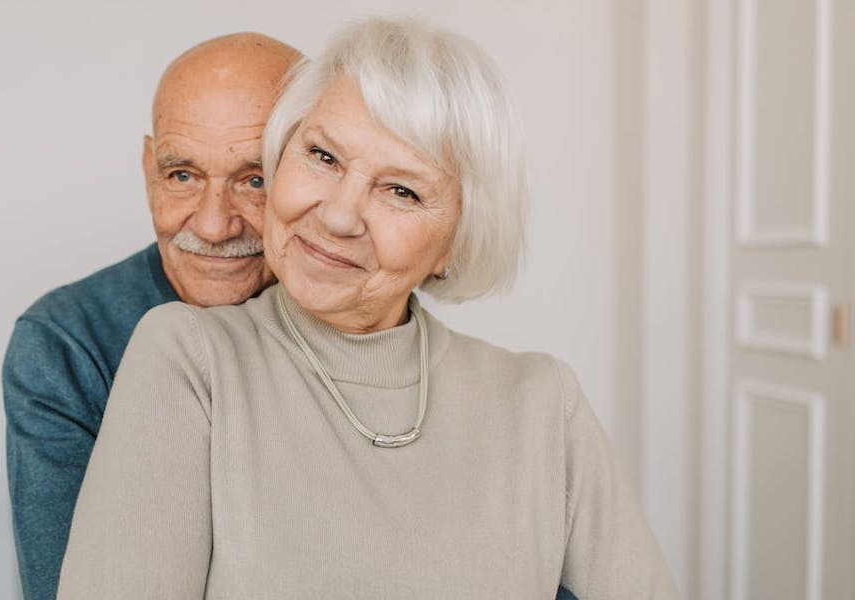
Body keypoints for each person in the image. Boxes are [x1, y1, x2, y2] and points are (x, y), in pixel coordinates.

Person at [57, 17, 678, 599]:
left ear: (456, 242)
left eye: (401, 190)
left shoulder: (544, 401)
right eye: (323, 157)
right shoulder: (188, 358)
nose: (337, 215)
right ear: (280, 157)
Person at [1, 33, 300, 599]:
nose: (213, 226)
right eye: (182, 175)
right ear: (148, 168)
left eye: (255, 179)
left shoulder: (359, 322)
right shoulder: (66, 344)